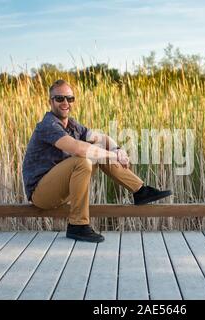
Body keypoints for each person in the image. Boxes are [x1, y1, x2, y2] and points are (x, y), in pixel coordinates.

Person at [22, 79, 172, 243]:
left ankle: (140, 191)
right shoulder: (48, 125)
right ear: (50, 101)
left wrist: (117, 150)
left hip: (63, 190)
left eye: (70, 98)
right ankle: (77, 225)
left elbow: (102, 138)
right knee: (83, 159)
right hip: (41, 194)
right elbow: (78, 148)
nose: (65, 102)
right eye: (60, 98)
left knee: (99, 148)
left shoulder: (72, 125)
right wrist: (112, 156)